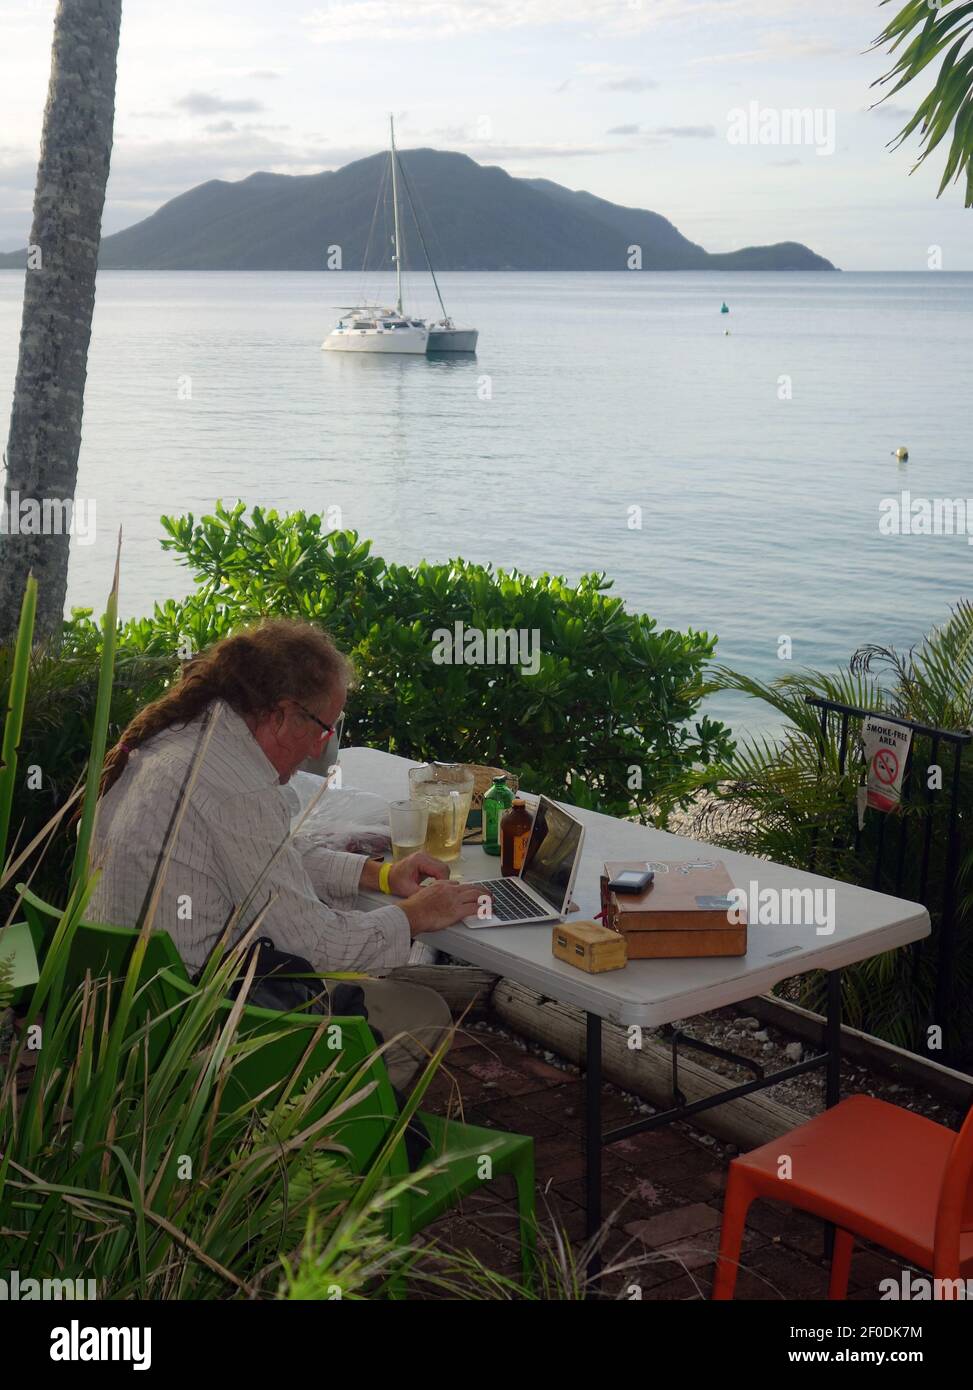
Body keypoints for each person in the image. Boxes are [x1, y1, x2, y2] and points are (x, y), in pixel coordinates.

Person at [87, 619, 486, 1088]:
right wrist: (416, 916)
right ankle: (317, 1126)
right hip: (192, 1032)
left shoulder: (178, 736)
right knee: (423, 1010)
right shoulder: (237, 788)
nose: (322, 748)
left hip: (121, 1012)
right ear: (281, 715)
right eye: (324, 728)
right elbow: (317, 947)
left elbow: (266, 853)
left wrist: (378, 875)